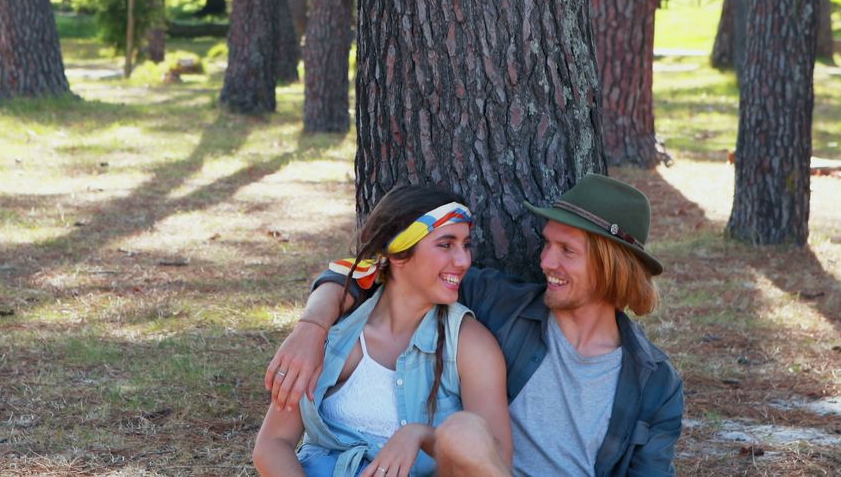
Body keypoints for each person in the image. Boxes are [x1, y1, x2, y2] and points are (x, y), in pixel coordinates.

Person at [267, 174, 684, 476]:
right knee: (462, 432)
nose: (545, 262)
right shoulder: (499, 302)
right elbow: (366, 272)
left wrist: (421, 436)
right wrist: (312, 327)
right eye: (546, 244)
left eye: (566, 251)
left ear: (611, 267)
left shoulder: (655, 384)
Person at [253, 186, 512, 477]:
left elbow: (494, 460)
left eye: (465, 245)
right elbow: (273, 443)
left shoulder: (470, 345)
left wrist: (422, 436)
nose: (464, 260)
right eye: (445, 244)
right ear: (399, 255)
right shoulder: (337, 334)